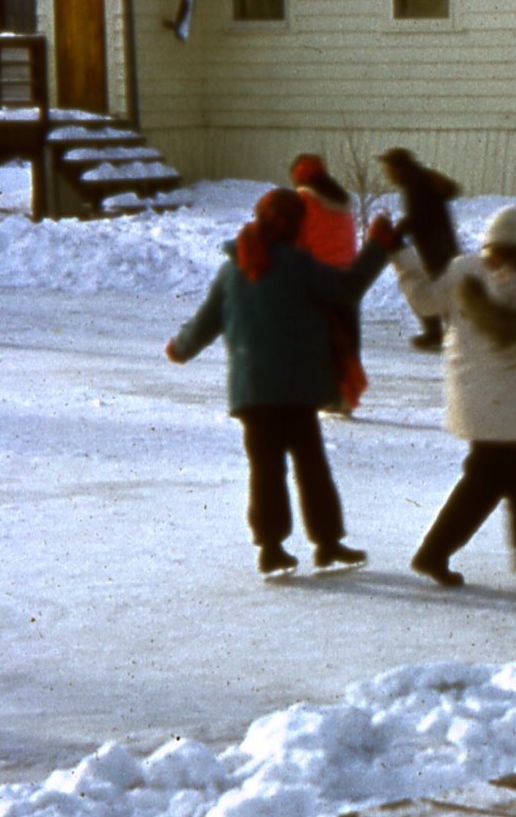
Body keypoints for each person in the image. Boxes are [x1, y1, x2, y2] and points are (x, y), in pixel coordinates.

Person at [166, 187, 398, 577]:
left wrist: (181, 347)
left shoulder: (232, 268)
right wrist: (377, 245)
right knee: (311, 467)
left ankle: (271, 549)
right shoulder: (298, 265)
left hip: (252, 391)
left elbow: (207, 321)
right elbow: (347, 289)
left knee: (266, 470)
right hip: (295, 391)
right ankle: (327, 544)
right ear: (293, 225)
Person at [394, 204, 516, 587]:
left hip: (472, 396)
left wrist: (401, 256)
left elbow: (425, 301)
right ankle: (434, 551)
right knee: (486, 480)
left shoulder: (463, 270)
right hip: (509, 402)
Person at [290, 153, 367, 415]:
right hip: (348, 278)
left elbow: (296, 243)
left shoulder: (302, 202)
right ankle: (345, 398)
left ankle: (327, 397)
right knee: (346, 342)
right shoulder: (342, 202)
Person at [378, 146, 461, 351]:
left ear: (401, 168)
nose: (387, 174)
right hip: (437, 243)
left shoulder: (417, 184)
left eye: (389, 169)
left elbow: (418, 217)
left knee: (435, 288)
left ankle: (444, 334)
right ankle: (442, 333)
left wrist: (395, 232)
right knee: (437, 288)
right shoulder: (417, 181)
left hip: (436, 245)